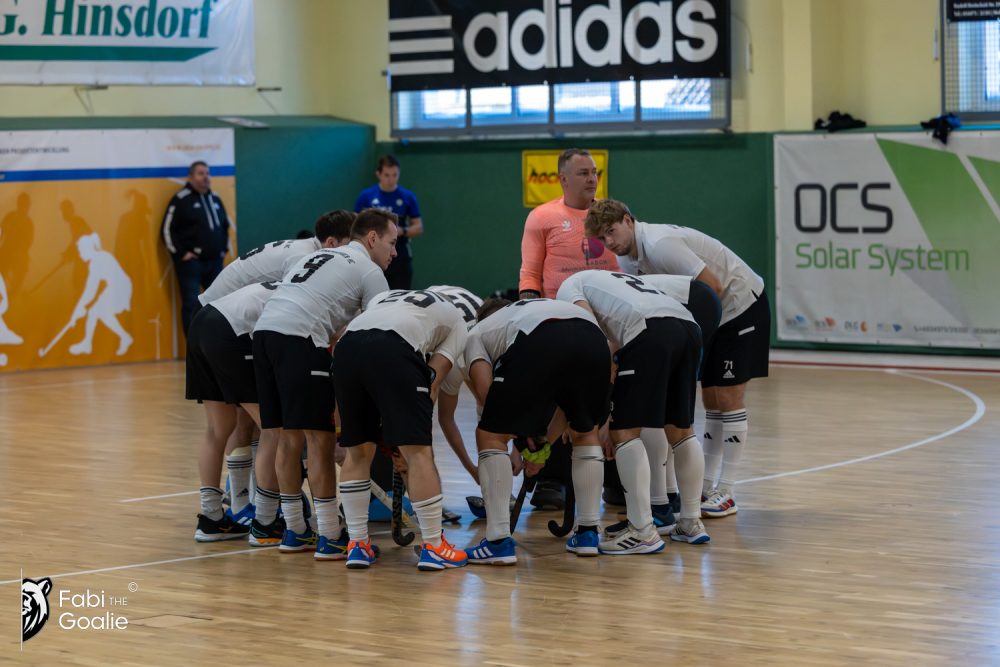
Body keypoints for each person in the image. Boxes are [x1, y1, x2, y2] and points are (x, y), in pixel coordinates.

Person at [585, 199, 771, 519]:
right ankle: (706, 486)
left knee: (727, 397)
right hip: (712, 314)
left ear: (628, 220)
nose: (609, 242)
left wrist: (688, 343)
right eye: (602, 238)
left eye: (611, 232)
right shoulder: (626, 258)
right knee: (711, 399)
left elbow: (712, 287)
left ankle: (727, 491)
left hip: (740, 306)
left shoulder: (660, 245)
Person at [252, 209, 396, 558]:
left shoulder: (320, 256)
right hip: (299, 340)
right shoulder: (369, 271)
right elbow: (380, 335)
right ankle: (331, 535)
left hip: (264, 336)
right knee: (320, 440)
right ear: (372, 238)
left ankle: (295, 531)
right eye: (392, 243)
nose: (394, 252)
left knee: (288, 438)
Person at [557, 270, 709, 548]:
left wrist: (592, 417)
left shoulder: (567, 288)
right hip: (688, 326)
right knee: (681, 430)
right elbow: (613, 347)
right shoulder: (606, 280)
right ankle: (690, 521)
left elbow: (594, 343)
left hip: (649, 329)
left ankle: (642, 531)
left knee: (624, 432)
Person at [461, 298, 611, 565]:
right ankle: (587, 534)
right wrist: (541, 449)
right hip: (594, 337)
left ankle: (498, 542)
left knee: (489, 434)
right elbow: (565, 407)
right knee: (585, 430)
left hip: (539, 336)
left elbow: (491, 402)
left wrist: (524, 447)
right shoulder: (527, 311)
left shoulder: (476, 334)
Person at [334, 289, 469, 571]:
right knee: (419, 452)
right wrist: (404, 439)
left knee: (357, 452)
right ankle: (434, 546)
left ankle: (357, 544)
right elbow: (431, 380)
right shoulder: (458, 322)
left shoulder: (386, 297)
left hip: (346, 348)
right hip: (394, 347)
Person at [518, 148, 620, 509]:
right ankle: (552, 479)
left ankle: (616, 480)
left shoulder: (611, 216)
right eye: (583, 173)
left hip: (608, 323)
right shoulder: (543, 217)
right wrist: (531, 316)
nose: (592, 179)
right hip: (561, 322)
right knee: (555, 398)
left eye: (594, 172)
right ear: (563, 179)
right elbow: (530, 272)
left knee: (611, 397)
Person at [186, 281, 280, 542]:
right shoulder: (325, 299)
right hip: (231, 329)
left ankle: (211, 519)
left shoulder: (295, 279)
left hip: (203, 320)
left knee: (219, 428)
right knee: (274, 428)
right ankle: (265, 523)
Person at [199, 210, 354, 306]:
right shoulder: (303, 256)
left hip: (215, 308)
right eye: (350, 244)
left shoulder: (305, 247)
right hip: (213, 310)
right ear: (331, 242)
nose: (353, 251)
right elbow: (290, 306)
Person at [161, 161, 231, 334]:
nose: (205, 177)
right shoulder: (181, 199)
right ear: (190, 177)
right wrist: (181, 253)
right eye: (200, 173)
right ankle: (193, 346)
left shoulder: (215, 198)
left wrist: (222, 250)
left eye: (207, 173)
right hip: (191, 265)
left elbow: (224, 226)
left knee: (218, 303)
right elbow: (167, 230)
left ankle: (214, 343)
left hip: (215, 262)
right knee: (191, 304)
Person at [355, 155, 422, 289]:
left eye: (394, 175)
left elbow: (418, 227)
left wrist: (402, 231)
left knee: (400, 295)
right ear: (378, 174)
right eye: (387, 175)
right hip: (373, 256)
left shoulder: (408, 197)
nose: (391, 179)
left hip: (400, 255)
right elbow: (356, 225)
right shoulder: (366, 196)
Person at [67, 233, 133, 357]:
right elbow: (90, 291)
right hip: (116, 287)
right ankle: (124, 337)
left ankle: (87, 344)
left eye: (80, 251)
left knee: (95, 312)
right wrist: (78, 310)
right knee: (97, 312)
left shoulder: (97, 261)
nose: (80, 254)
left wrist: (77, 310)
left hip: (120, 288)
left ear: (87, 249)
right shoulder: (99, 258)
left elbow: (90, 291)